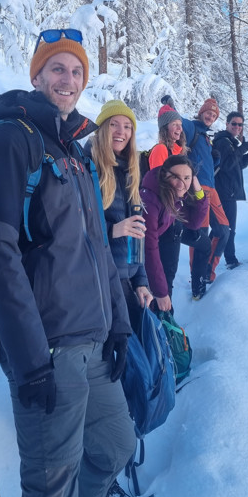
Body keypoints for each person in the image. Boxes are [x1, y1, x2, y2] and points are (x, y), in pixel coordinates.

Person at [0, 29, 136, 497]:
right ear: (37, 75)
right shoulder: (10, 142)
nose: (68, 79)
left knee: (116, 447)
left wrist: (119, 327)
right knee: (49, 486)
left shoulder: (75, 153)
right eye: (57, 68)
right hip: (49, 352)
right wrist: (30, 361)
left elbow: (98, 248)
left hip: (96, 344)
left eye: (77, 70)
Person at [87, 99, 153, 328]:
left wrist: (141, 281)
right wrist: (112, 230)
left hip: (128, 280)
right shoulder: (87, 165)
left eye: (127, 126)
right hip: (100, 280)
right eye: (114, 124)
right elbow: (75, 226)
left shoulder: (130, 168)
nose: (121, 132)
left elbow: (137, 232)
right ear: (103, 128)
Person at [162, 96, 230, 300]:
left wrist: (215, 157)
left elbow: (208, 163)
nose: (210, 116)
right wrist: (171, 106)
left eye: (214, 114)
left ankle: (207, 271)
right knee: (200, 234)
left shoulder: (206, 137)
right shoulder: (192, 127)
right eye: (208, 112)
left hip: (212, 188)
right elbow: (179, 122)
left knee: (224, 230)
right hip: (196, 188)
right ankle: (198, 284)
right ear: (201, 113)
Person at [140, 155, 209, 311]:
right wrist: (161, 293)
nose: (181, 184)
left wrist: (198, 191)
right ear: (164, 175)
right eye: (176, 177)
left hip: (167, 233)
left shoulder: (173, 194)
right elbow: (149, 247)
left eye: (186, 178)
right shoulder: (150, 200)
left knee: (204, 244)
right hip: (137, 253)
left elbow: (194, 222)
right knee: (160, 295)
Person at [147, 103, 187, 303]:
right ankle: (163, 315)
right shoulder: (161, 150)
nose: (179, 128)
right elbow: (158, 184)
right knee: (165, 271)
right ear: (165, 128)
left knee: (170, 269)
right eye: (174, 124)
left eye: (180, 124)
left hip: (173, 216)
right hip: (165, 219)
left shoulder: (178, 151)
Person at [213, 112, 248, 268]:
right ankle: (230, 260)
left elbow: (235, 166)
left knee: (224, 228)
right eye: (234, 124)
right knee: (227, 228)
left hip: (228, 191)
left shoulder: (230, 142)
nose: (237, 127)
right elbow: (226, 165)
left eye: (240, 125)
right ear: (227, 124)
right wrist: (244, 148)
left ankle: (212, 260)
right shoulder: (223, 142)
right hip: (224, 192)